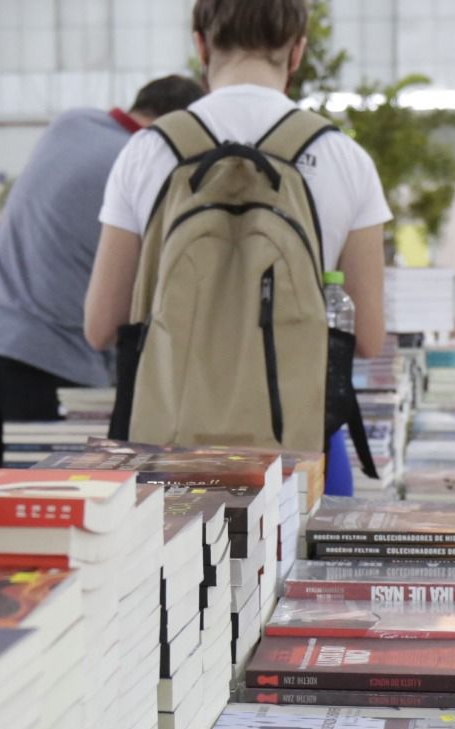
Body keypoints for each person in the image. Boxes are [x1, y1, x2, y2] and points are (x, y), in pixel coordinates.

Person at [84, 0, 390, 498]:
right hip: (295, 462)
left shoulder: (146, 150)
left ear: (200, 45)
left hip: (167, 465)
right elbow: (370, 337)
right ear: (297, 52)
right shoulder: (345, 158)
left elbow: (100, 325)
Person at [0, 74, 204, 468]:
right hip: (48, 363)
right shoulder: (142, 163)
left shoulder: (69, 123)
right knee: (43, 516)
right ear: (176, 127)